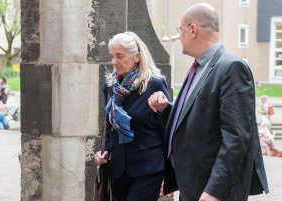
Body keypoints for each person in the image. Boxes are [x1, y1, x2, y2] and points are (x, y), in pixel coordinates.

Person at [148, 3, 268, 201]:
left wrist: (215, 191)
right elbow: (199, 121)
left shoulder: (232, 67)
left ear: (193, 29)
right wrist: (166, 110)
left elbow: (236, 137)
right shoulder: (198, 67)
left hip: (211, 191)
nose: (179, 36)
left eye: (180, 30)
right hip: (193, 186)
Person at [94, 31, 171, 201]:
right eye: (112, 56)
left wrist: (170, 173)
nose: (114, 62)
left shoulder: (155, 84)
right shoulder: (110, 86)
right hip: (118, 170)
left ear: (136, 57)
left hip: (149, 169)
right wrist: (104, 150)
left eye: (120, 56)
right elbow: (109, 125)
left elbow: (169, 129)